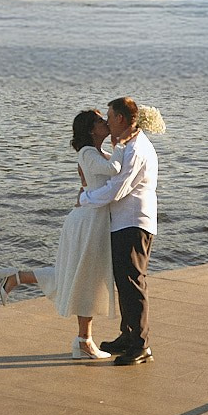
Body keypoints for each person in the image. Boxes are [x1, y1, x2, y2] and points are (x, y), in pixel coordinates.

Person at [0, 109, 119, 360]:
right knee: (85, 278)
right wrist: (122, 143)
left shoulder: (97, 154)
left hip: (93, 221)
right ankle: (83, 341)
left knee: (78, 275)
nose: (105, 122)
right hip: (87, 223)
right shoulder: (88, 153)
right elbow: (115, 170)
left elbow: (98, 179)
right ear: (90, 129)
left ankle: (16, 278)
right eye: (99, 120)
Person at [78, 96, 158, 365]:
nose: (107, 122)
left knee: (133, 283)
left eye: (109, 117)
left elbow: (118, 188)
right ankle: (128, 335)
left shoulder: (136, 149)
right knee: (125, 282)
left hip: (133, 222)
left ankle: (141, 345)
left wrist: (85, 199)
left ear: (121, 119)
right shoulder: (128, 145)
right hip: (123, 222)